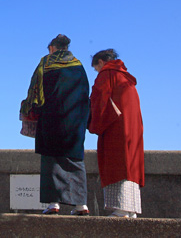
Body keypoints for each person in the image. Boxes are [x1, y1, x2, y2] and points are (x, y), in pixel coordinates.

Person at [20, 34, 90, 215]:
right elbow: (85, 94)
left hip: (51, 117)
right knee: (75, 159)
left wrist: (28, 108)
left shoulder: (46, 63)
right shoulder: (78, 65)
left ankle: (53, 204)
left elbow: (34, 90)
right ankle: (81, 205)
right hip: (74, 119)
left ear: (52, 47)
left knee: (51, 160)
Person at [88, 49, 144, 218]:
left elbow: (100, 100)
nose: (96, 72)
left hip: (115, 128)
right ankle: (131, 209)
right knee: (130, 166)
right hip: (132, 129)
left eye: (96, 68)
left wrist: (93, 123)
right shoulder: (127, 78)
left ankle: (120, 209)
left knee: (116, 165)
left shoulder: (106, 75)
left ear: (101, 62)